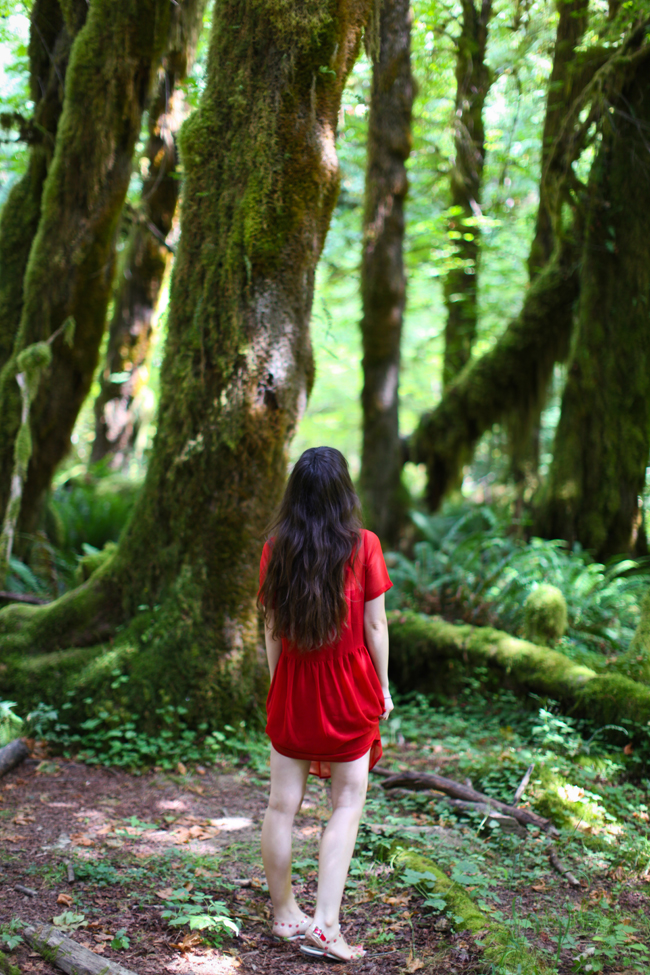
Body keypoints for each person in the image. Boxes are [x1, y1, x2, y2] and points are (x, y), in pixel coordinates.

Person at [257, 446, 394, 963]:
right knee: (347, 803)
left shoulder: (276, 548)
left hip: (294, 686)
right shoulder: (364, 546)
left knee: (280, 806)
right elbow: (375, 626)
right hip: (349, 688)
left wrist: (280, 686)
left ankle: (286, 914)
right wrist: (382, 687)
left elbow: (271, 629)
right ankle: (326, 925)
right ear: (344, 494)